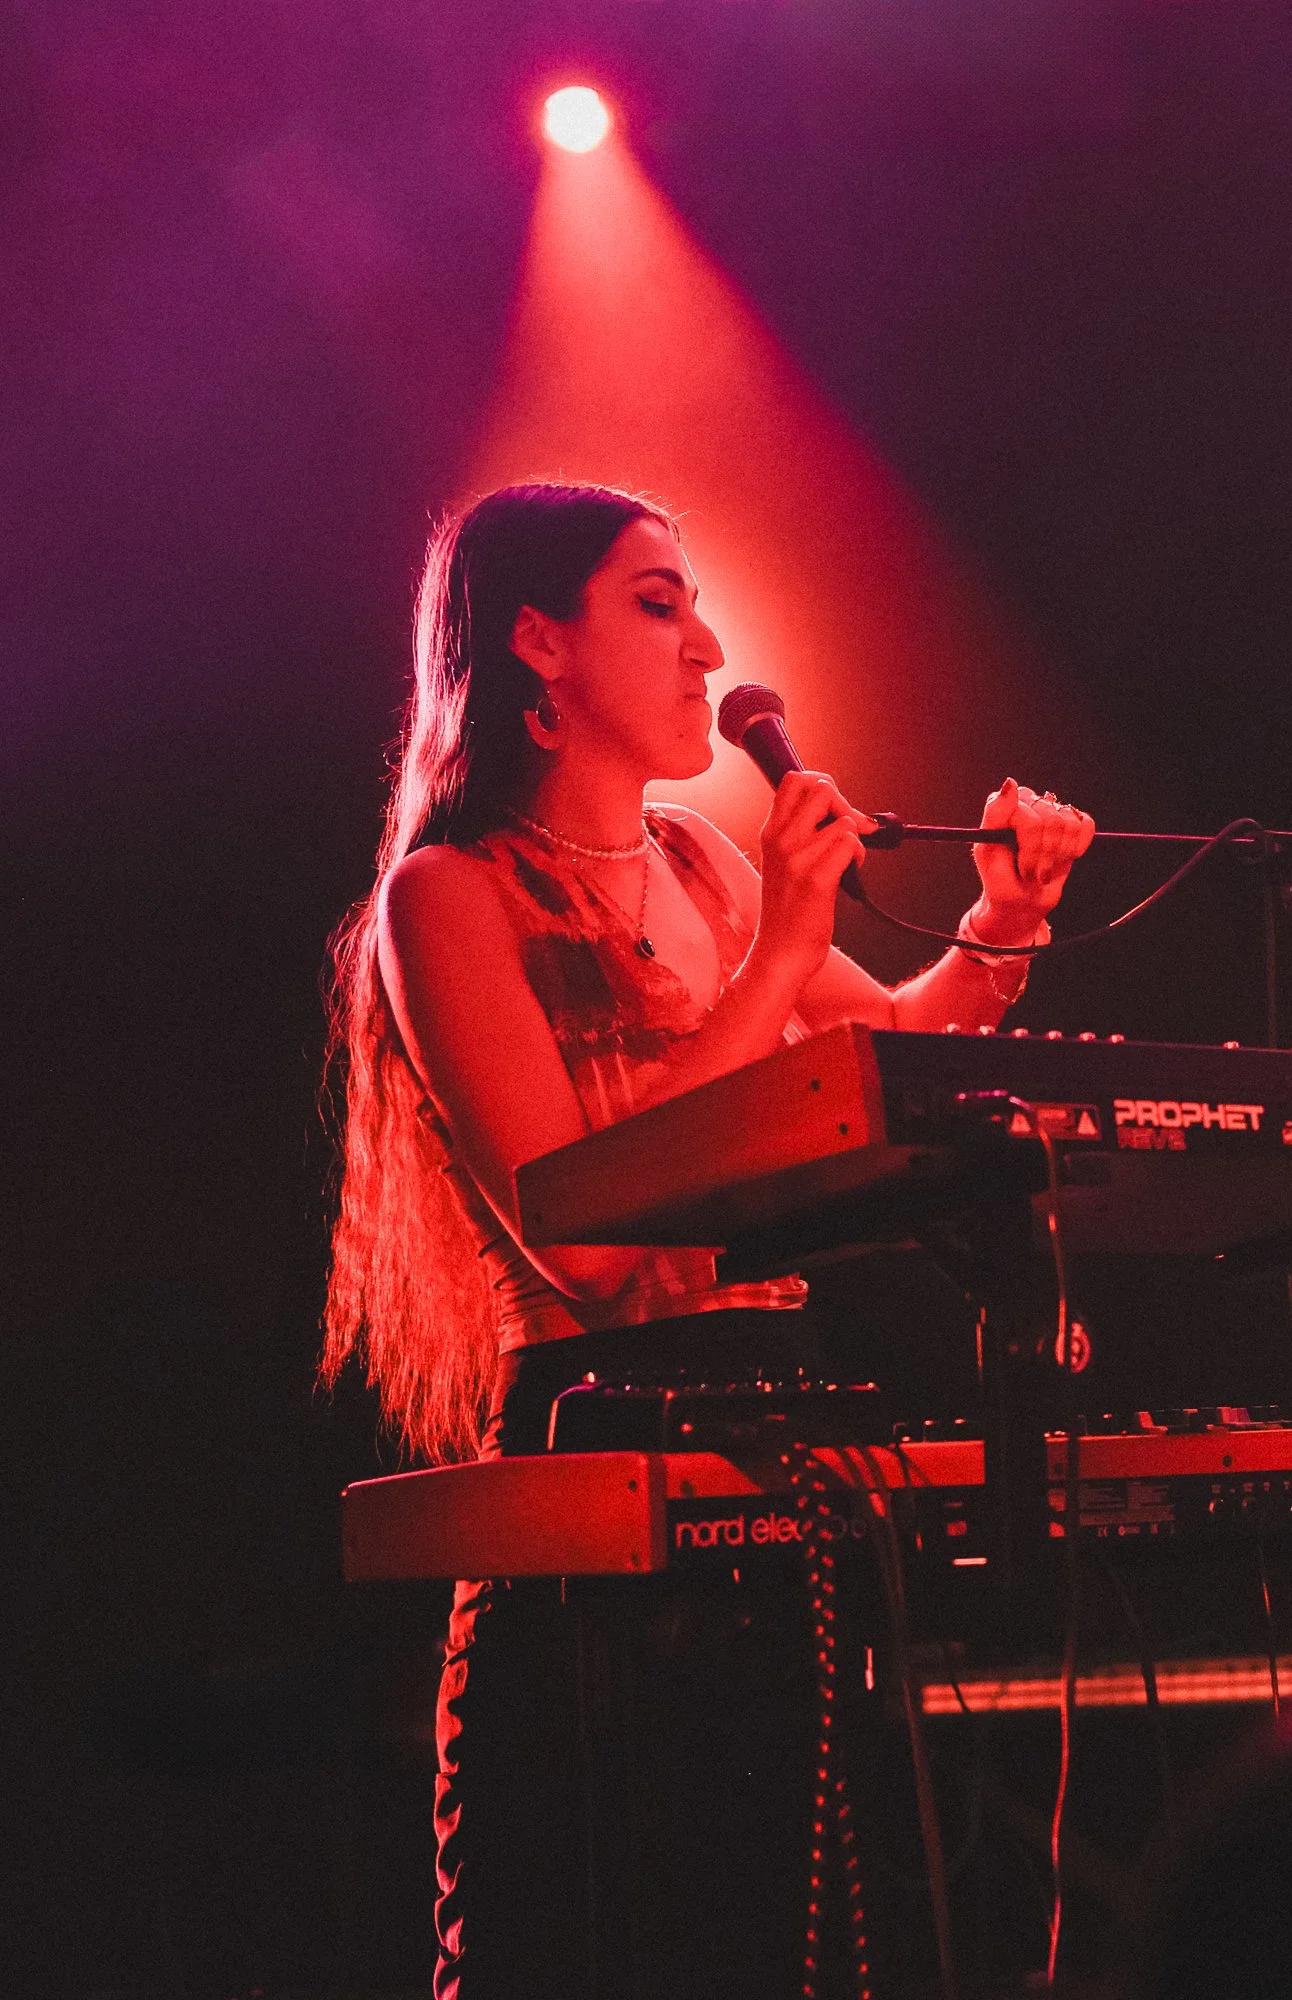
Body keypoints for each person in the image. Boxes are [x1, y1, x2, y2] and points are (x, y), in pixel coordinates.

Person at [321, 482, 1095, 1999]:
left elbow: (887, 1054)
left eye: (696, 607)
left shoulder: (701, 863)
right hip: (595, 1441)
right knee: (601, 1935)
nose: (708, 650)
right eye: (657, 604)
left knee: (785, 1941)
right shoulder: (446, 897)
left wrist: (1000, 921)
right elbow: (587, 1243)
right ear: (538, 642)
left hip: (786, 1444)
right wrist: (779, 953)